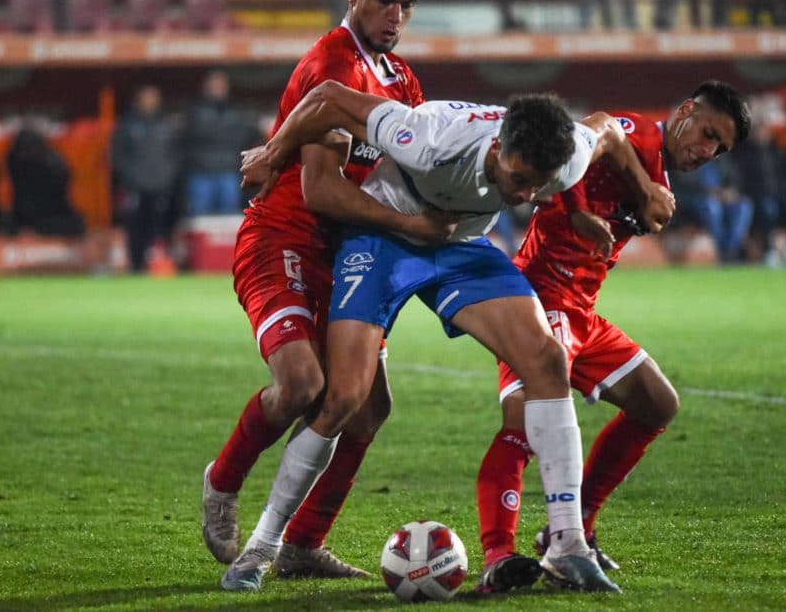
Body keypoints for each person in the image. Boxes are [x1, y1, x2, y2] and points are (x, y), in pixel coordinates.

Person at [225, 79, 678, 594]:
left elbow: (608, 134)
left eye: (539, 185)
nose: (527, 196)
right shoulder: (429, 137)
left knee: (547, 361)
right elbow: (329, 96)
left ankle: (568, 545)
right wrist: (274, 150)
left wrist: (643, 190)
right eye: (521, 179)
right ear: (499, 147)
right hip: (386, 236)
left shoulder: (566, 153)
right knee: (345, 396)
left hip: (460, 243)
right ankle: (261, 547)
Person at [202, 0, 453, 587]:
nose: (395, 15)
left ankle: (304, 544)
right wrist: (409, 224)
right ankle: (223, 480)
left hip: (348, 255)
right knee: (303, 386)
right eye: (383, 0)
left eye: (407, 5)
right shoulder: (332, 65)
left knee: (368, 408)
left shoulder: (402, 79)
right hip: (283, 239)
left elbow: (399, 173)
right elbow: (320, 189)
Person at [473, 82, 751, 594]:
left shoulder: (661, 175)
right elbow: (589, 130)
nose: (708, 150)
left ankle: (577, 524)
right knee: (522, 425)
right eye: (708, 133)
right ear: (685, 110)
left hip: (580, 312)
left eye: (720, 147)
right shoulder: (640, 136)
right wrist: (579, 209)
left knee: (657, 404)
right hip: (539, 296)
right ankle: (499, 556)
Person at [111, 84, 182, 273]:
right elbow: (118, 155)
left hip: (161, 185)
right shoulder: (128, 124)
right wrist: (130, 178)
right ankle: (136, 266)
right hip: (136, 187)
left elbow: (176, 154)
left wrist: (168, 175)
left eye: (153, 97)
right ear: (139, 100)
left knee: (161, 227)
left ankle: (159, 265)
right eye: (146, 97)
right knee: (135, 227)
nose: (149, 101)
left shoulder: (167, 125)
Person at [182, 69, 260, 216]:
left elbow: (244, 135)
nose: (218, 89)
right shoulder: (195, 110)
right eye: (214, 85)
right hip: (202, 172)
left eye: (221, 85)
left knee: (228, 219)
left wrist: (215, 132)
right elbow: (196, 133)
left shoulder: (236, 110)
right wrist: (226, 132)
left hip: (228, 172)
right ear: (206, 87)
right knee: (201, 219)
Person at [731, 120, 786, 267]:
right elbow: (741, 180)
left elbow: (785, 175)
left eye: (765, 130)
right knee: (769, 209)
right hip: (756, 194)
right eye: (759, 130)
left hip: (778, 193)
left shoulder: (776, 151)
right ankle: (770, 250)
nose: (763, 134)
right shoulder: (744, 153)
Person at [670, 151, 753, 263]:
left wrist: (731, 190)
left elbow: (732, 175)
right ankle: (720, 251)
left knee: (744, 206)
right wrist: (710, 192)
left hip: (722, 198)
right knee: (712, 207)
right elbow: (683, 183)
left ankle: (731, 251)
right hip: (696, 199)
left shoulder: (718, 151)